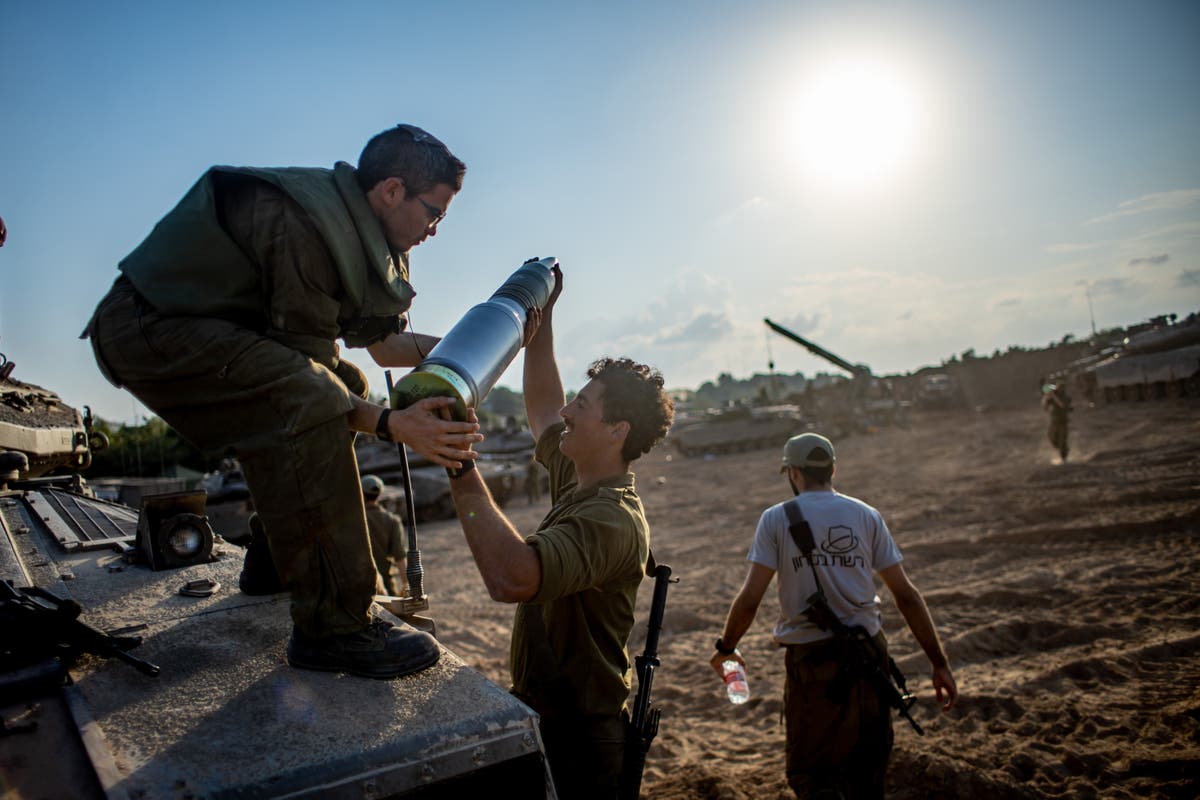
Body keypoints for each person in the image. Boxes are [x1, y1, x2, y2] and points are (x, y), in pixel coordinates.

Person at [82, 124, 486, 679]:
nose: (435, 230)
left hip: (203, 329)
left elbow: (384, 347)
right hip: (147, 329)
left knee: (349, 381)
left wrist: (473, 349)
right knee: (317, 394)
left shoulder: (356, 227)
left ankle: (275, 560)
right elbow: (307, 388)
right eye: (433, 213)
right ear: (393, 190)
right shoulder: (305, 226)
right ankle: (335, 627)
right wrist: (395, 427)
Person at [445, 266, 675, 799]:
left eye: (584, 407)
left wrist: (458, 462)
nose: (568, 411)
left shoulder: (612, 517)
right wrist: (541, 317)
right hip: (549, 717)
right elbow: (544, 404)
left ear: (617, 431)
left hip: (581, 738)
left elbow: (512, 578)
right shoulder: (582, 476)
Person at [711, 432, 958, 799]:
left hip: (813, 664)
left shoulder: (776, 519)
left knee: (812, 776)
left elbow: (750, 600)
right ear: (832, 469)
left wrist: (726, 647)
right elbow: (906, 595)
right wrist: (939, 664)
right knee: (867, 774)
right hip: (869, 657)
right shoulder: (865, 515)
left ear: (793, 473)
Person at [361, 474, 407, 597]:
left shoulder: (355, 520)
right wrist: (406, 584)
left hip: (359, 586)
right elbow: (400, 556)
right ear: (380, 494)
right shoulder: (392, 520)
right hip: (386, 585)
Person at [1041, 383, 1072, 462]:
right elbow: (1045, 388)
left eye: (1061, 387)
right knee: (1051, 438)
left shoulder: (1066, 397)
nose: (1059, 389)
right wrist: (1047, 395)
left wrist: (1053, 396)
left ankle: (1064, 458)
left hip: (1063, 422)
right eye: (1058, 387)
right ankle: (1063, 450)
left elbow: (1062, 405)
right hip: (1054, 421)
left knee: (1062, 441)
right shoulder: (1054, 394)